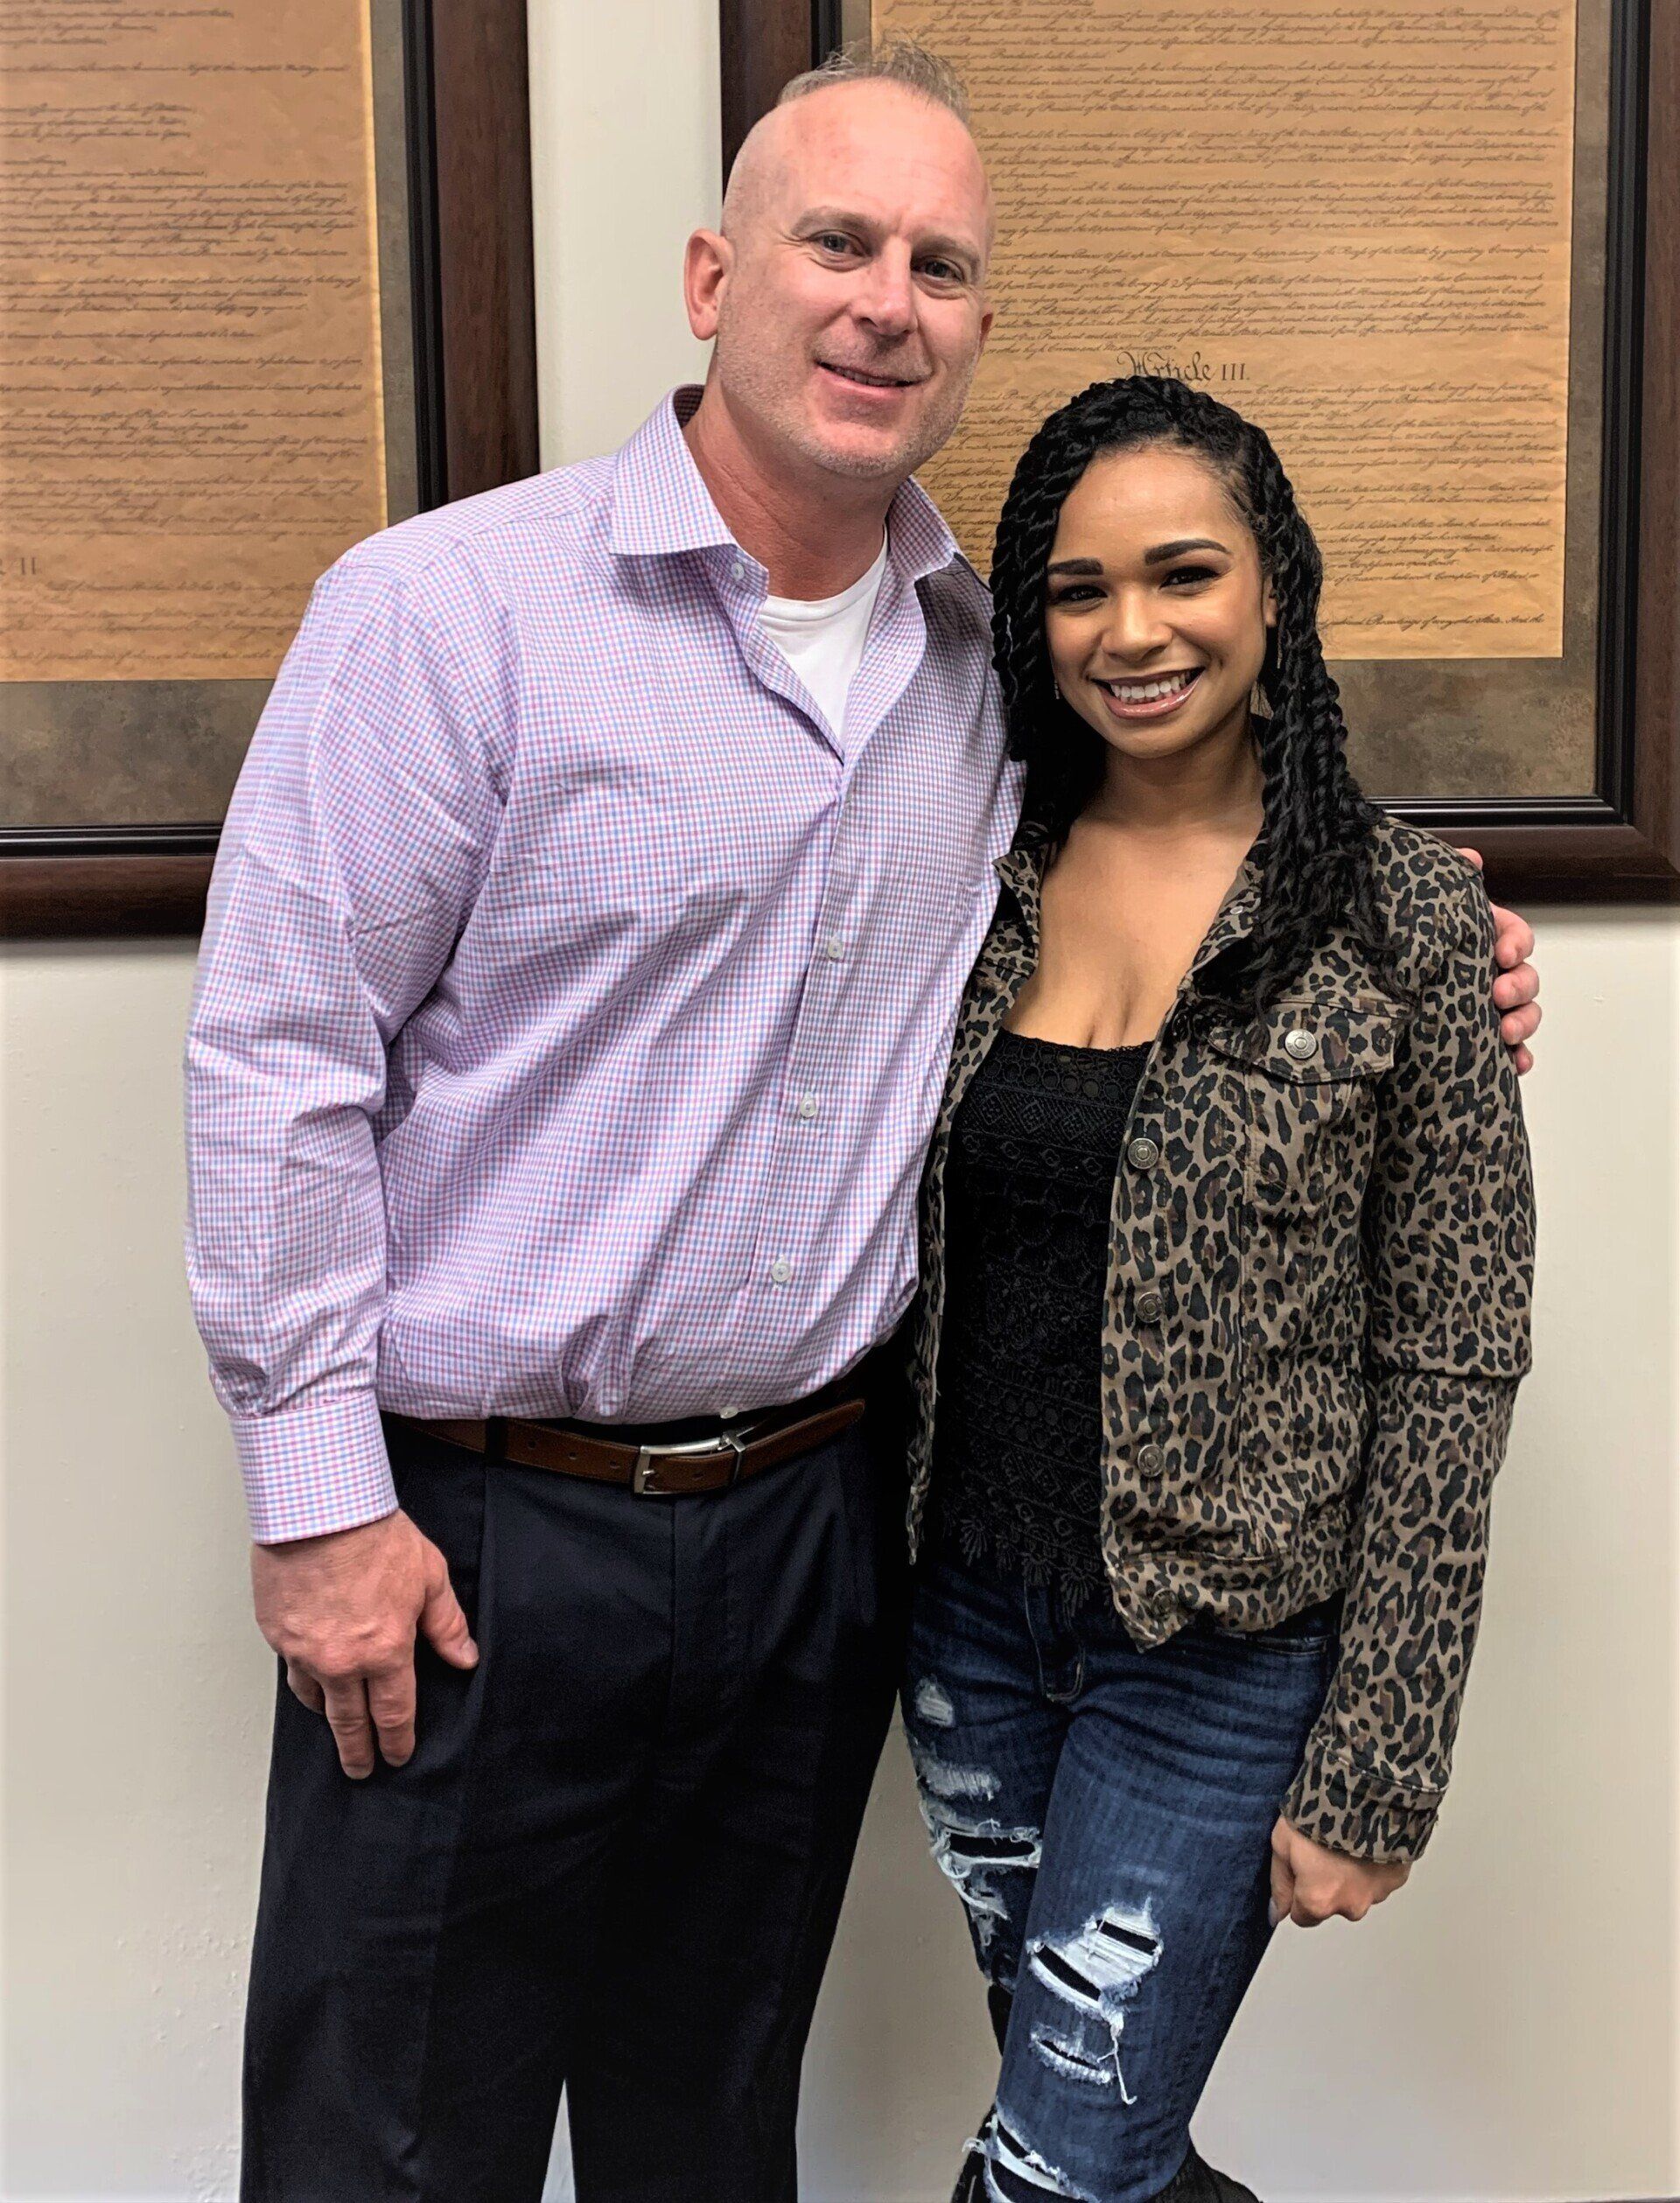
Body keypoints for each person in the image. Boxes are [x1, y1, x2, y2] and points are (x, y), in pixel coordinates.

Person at [182, 40, 1539, 2201]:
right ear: (718, 272)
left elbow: (1226, 870)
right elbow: (278, 1058)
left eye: (940, 262)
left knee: (712, 2127)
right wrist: (314, 1502)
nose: (886, 298)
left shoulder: (987, 680)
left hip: (819, 1537)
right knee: (390, 2143)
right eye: (838, 241)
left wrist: (1434, 922)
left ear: (976, 328)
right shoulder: (450, 613)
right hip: (472, 1539)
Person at [898, 374, 1536, 2203]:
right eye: (1079, 591)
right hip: (970, 1629)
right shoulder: (971, 872)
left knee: (1054, 2161)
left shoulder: (1402, 917)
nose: (1134, 629)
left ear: (1275, 589)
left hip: (1227, 1652)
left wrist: (1381, 1756)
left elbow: (1455, 1347)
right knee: (1099, 2133)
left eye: (1184, 572)